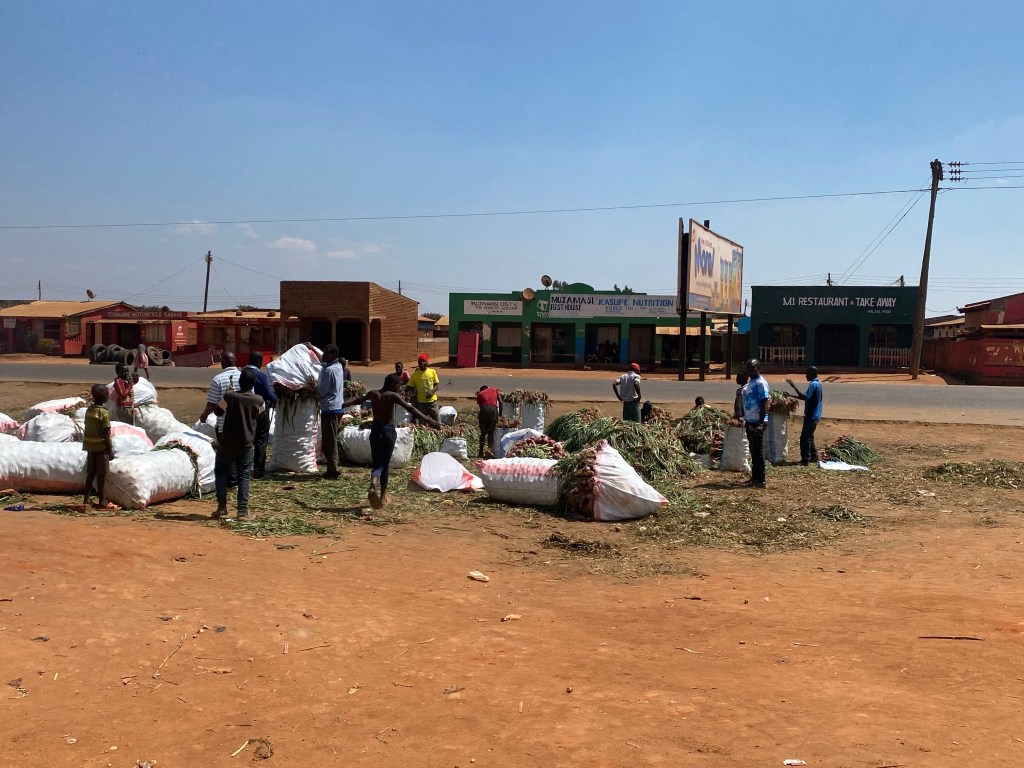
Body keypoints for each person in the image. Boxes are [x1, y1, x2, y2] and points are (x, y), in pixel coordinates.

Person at [343, 373, 439, 509]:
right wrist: (429, 420)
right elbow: (410, 408)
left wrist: (344, 403)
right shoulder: (393, 396)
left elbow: (358, 400)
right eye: (398, 386)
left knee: (377, 463)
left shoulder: (373, 393)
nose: (400, 389)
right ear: (392, 385)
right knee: (385, 464)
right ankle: (382, 497)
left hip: (375, 430)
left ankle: (372, 485)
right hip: (388, 431)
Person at [212, 367, 264, 520]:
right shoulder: (258, 400)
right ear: (253, 384)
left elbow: (218, 412)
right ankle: (242, 511)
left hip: (227, 442)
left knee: (221, 472)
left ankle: (221, 507)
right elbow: (261, 419)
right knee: (243, 476)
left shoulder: (230, 396)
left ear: (240, 382)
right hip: (246, 444)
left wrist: (227, 395)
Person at [83, 383, 118, 511]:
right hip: (101, 447)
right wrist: (110, 450)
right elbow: (106, 433)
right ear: (104, 397)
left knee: (90, 473)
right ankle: (102, 501)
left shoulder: (89, 410)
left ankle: (86, 499)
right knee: (101, 474)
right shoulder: (103, 413)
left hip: (90, 446)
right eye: (107, 394)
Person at [246, 351, 278, 479]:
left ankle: (242, 469)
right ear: (259, 362)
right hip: (259, 412)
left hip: (242, 412)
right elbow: (268, 395)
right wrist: (276, 396)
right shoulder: (260, 375)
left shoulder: (240, 373)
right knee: (260, 441)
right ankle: (258, 471)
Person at [318, 344, 346, 480]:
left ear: (333, 355)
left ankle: (333, 470)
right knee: (331, 438)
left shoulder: (329, 371)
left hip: (330, 408)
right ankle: (333, 466)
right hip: (338, 407)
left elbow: (322, 391)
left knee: (330, 440)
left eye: (326, 353)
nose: (323, 355)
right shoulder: (339, 367)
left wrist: (313, 387)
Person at [741, 359, 770, 489]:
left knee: (758, 451)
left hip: (758, 422)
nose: (749, 370)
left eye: (751, 368)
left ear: (758, 368)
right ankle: (755, 476)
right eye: (747, 368)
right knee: (753, 450)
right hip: (750, 421)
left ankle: (761, 479)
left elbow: (765, 403)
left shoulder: (760, 383)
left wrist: (760, 422)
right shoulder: (751, 382)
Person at [786, 366, 823, 466]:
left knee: (804, 438)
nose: (805, 376)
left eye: (807, 374)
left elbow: (804, 397)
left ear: (812, 373)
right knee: (810, 436)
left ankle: (805, 460)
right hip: (816, 415)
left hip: (811, 415)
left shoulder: (813, 385)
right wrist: (791, 395)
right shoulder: (818, 384)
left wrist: (793, 386)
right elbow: (807, 398)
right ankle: (814, 456)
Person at [201, 352, 241, 442]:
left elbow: (212, 403)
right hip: (243, 425)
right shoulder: (244, 377)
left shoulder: (218, 379)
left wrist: (204, 415)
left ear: (222, 363)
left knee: (225, 452)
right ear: (236, 362)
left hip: (224, 426)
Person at [408, 353, 440, 424]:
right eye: (420, 361)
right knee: (422, 423)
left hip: (432, 402)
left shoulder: (432, 372)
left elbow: (436, 385)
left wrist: (431, 391)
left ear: (427, 363)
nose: (421, 363)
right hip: (421, 403)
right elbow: (409, 386)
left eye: (423, 361)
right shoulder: (415, 375)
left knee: (437, 422)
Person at [476, 384, 502, 458]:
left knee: (483, 433)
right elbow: (501, 402)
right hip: (493, 410)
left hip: (484, 410)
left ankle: (480, 452)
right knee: (491, 432)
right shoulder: (494, 389)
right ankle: (489, 450)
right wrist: (499, 414)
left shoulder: (479, 394)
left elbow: (481, 407)